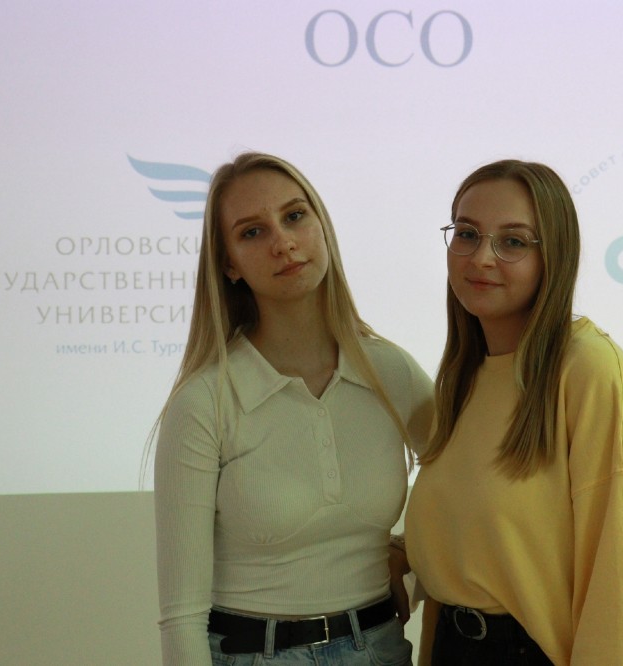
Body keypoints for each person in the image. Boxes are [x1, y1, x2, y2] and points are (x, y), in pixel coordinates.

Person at [150, 152, 433, 665]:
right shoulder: (204, 401)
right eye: (252, 232)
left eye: (295, 216)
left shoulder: (390, 371)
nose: (282, 242)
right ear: (229, 264)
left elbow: (474, 488)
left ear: (322, 226)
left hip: (380, 648)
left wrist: (407, 548)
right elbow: (182, 616)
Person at [404, 159, 623, 665]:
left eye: (513, 241)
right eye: (467, 234)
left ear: (555, 256)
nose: (481, 258)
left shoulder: (590, 370)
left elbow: (621, 572)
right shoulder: (465, 376)